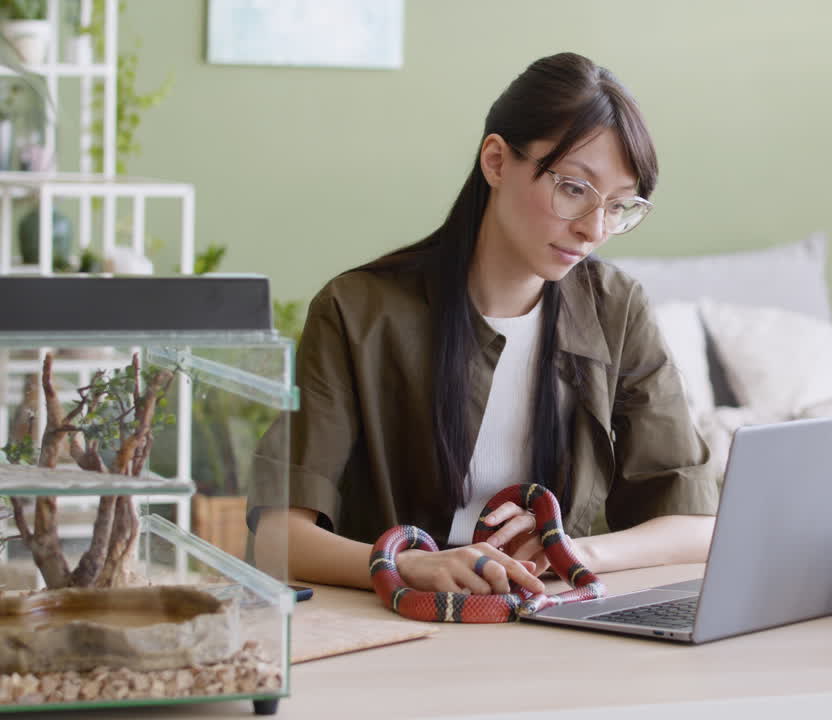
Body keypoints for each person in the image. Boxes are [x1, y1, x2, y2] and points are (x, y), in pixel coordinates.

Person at [252, 53, 719, 598]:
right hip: (396, 626)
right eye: (573, 188)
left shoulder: (616, 309)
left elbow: (697, 524)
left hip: (552, 620)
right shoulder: (357, 311)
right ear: (496, 161)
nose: (593, 229)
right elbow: (277, 538)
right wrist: (405, 566)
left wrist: (569, 549)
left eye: (618, 207)